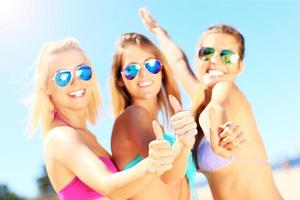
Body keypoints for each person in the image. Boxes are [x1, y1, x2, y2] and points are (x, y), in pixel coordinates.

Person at [139, 7, 283, 200]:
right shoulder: (199, 97)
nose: (215, 60)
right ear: (197, 59)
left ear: (240, 66)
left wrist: (216, 131)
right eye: (206, 53)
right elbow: (177, 62)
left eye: (227, 56)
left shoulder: (227, 90)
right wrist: (157, 30)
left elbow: (215, 110)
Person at [27, 37, 176, 200]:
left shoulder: (85, 135)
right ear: (47, 87)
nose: (76, 81)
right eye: (63, 77)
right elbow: (109, 187)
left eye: (82, 72)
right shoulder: (60, 137)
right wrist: (151, 164)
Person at [110, 32, 241, 200]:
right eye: (131, 69)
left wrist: (158, 31)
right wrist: (183, 143)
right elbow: (169, 174)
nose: (143, 74)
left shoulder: (156, 128)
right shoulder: (133, 116)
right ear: (120, 79)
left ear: (161, 70)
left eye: (151, 65)